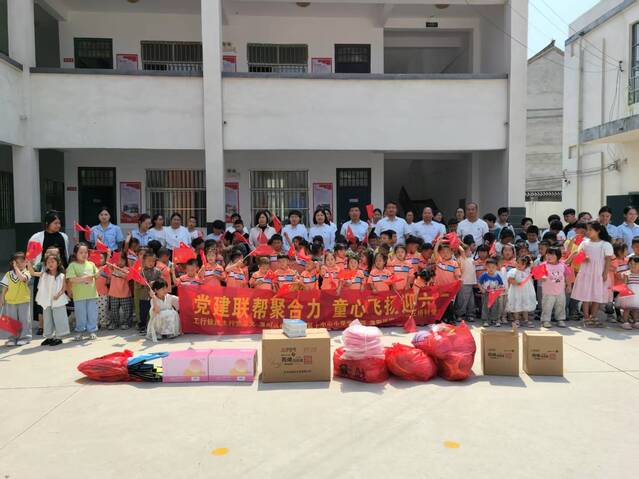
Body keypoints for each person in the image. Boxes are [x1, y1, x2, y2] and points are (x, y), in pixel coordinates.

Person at [570, 221, 614, 327]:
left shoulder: (605, 244)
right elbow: (578, 256)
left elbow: (608, 260)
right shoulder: (584, 243)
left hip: (599, 273)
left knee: (597, 295)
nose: (588, 231)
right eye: (587, 229)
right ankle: (586, 317)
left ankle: (593, 317)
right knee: (586, 295)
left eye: (591, 230)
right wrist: (583, 258)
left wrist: (605, 273)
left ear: (598, 231)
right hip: (586, 272)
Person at [29, 254, 69, 346]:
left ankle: (59, 337)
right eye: (48, 262)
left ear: (58, 263)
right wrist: (29, 263)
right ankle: (49, 337)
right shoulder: (44, 274)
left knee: (59, 318)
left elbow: (64, 288)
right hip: (46, 300)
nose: (50, 264)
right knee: (47, 318)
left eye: (52, 262)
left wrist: (58, 295)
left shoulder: (62, 275)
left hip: (58, 300)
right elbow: (32, 273)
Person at [66, 244, 100, 341]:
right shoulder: (72, 265)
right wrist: (84, 279)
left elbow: (96, 275)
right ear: (75, 253)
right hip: (79, 296)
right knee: (80, 315)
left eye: (86, 252)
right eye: (81, 252)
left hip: (92, 294)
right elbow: (71, 279)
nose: (84, 254)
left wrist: (98, 273)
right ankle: (80, 332)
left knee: (92, 314)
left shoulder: (91, 264)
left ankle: (92, 331)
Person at [1, 253, 32, 346]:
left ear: (26, 262)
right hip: (10, 301)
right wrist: (2, 298)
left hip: (23, 300)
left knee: (24, 320)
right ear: (12, 263)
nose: (19, 264)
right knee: (11, 321)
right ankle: (12, 338)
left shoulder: (27, 273)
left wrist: (16, 268)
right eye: (17, 262)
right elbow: (5, 288)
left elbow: (22, 278)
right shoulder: (8, 274)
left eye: (22, 262)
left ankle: (25, 338)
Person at [539, 247, 572, 328]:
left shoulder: (562, 265)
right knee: (547, 306)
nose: (549, 256)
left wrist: (568, 286)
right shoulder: (543, 265)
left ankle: (560, 319)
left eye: (552, 255)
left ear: (558, 256)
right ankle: (545, 320)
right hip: (548, 291)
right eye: (548, 254)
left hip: (560, 291)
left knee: (560, 305)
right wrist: (542, 277)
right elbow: (539, 274)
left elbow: (567, 276)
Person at [506, 256, 536, 328]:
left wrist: (528, 259)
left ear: (526, 265)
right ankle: (516, 320)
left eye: (522, 264)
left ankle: (526, 320)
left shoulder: (527, 271)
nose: (519, 265)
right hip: (516, 292)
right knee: (516, 305)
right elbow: (510, 279)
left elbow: (531, 264)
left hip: (526, 292)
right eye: (518, 262)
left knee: (525, 305)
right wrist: (516, 283)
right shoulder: (513, 271)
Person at [137, 252, 162, 335]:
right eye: (149, 261)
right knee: (143, 312)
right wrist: (144, 283)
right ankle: (142, 326)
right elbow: (138, 284)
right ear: (144, 261)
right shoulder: (141, 272)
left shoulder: (157, 271)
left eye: (153, 261)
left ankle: (154, 325)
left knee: (154, 311)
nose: (151, 263)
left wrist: (154, 283)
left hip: (154, 296)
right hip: (144, 295)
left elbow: (160, 282)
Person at [106, 254, 133, 330]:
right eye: (118, 260)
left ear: (125, 261)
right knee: (114, 310)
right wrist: (108, 254)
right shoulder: (113, 268)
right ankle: (114, 323)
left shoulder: (127, 269)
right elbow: (107, 263)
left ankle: (126, 323)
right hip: (113, 294)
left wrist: (116, 270)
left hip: (125, 294)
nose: (120, 262)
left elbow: (126, 276)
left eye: (122, 260)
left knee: (127, 311)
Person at [478, 258, 504, 327]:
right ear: (486, 267)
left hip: (494, 294)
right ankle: (486, 320)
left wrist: (498, 288)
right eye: (489, 267)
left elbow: (501, 284)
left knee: (495, 306)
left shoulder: (497, 275)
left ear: (496, 267)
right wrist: (482, 289)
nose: (491, 269)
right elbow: (479, 283)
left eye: (493, 267)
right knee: (486, 306)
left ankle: (495, 319)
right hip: (486, 294)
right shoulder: (484, 275)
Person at [455, 243, 477, 323]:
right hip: (464, 283)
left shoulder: (471, 259)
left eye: (470, 251)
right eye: (468, 251)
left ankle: (470, 315)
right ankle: (459, 315)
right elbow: (461, 250)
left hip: (470, 283)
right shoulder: (461, 258)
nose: (470, 252)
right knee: (462, 300)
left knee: (471, 301)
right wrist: (457, 242)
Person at [616, 256, 639, 330]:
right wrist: (624, 293)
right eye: (631, 263)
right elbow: (624, 284)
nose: (633, 265)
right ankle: (625, 322)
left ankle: (636, 322)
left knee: (636, 309)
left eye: (635, 264)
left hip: (637, 294)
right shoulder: (627, 273)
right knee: (627, 308)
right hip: (629, 293)